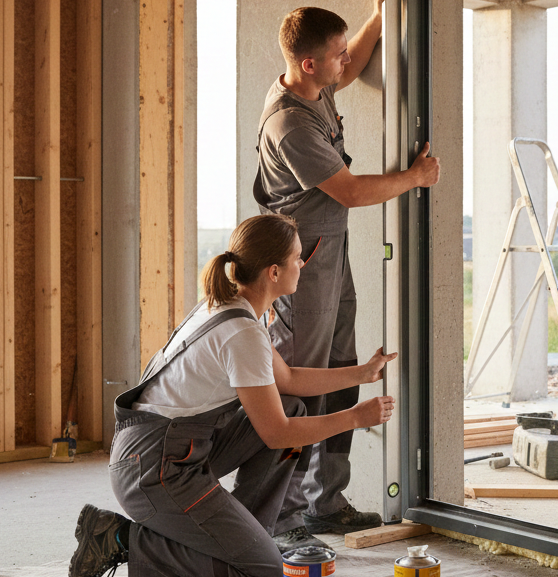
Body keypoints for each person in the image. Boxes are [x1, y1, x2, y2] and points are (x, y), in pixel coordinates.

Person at [68, 214, 397, 577]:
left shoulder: (231, 308)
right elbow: (276, 434)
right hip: (154, 471)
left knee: (293, 408)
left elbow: (286, 379)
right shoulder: (242, 334)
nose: (302, 265)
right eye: (297, 258)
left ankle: (248, 532)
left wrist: (362, 374)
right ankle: (120, 538)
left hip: (163, 452)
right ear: (273, 272)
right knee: (262, 568)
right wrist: (354, 418)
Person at [254, 3, 441, 552]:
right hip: (301, 262)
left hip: (328, 249)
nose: (345, 62)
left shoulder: (316, 84)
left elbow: (354, 60)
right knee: (300, 379)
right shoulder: (289, 121)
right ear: (309, 65)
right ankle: (282, 512)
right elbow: (353, 192)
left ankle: (325, 502)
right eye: (334, 55)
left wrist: (382, 17)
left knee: (340, 367)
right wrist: (415, 177)